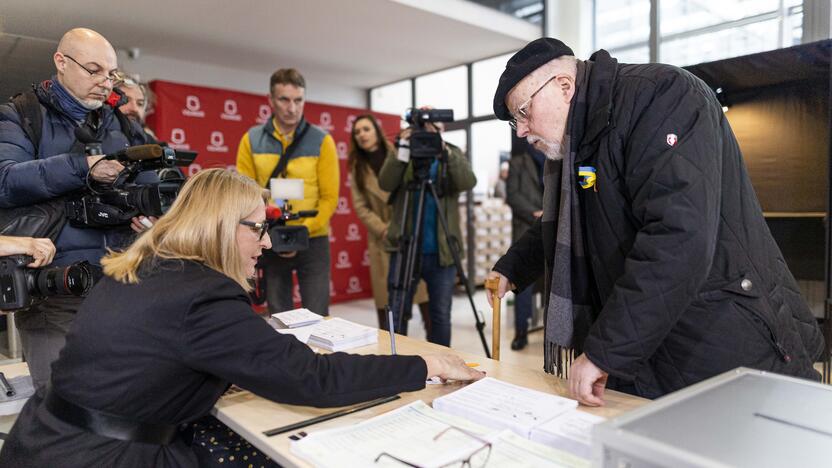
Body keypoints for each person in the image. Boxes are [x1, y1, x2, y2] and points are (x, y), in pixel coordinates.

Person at [0, 169, 484, 467]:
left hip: (45, 441)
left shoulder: (149, 267)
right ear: (219, 227)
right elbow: (312, 378)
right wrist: (428, 365)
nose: (268, 243)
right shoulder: (200, 296)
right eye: (258, 228)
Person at [486, 38, 825, 406]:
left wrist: (605, 350)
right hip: (652, 339)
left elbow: (678, 238)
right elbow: (573, 217)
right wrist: (514, 267)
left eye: (522, 112)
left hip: (719, 333)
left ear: (564, 87)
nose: (520, 130)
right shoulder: (585, 136)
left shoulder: (663, 97)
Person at [0, 28, 154, 388]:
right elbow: (5, 183)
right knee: (65, 410)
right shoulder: (20, 115)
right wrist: (83, 167)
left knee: (128, 399)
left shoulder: (121, 123)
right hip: (55, 292)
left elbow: (154, 183)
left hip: (123, 286)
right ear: (61, 62)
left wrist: (153, 214)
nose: (105, 82)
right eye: (93, 69)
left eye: (111, 74)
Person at [236, 68, 338, 316]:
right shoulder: (251, 139)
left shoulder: (322, 141)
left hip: (312, 239)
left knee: (318, 314)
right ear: (270, 100)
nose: (292, 107)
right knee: (279, 315)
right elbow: (246, 194)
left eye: (298, 100)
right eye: (284, 99)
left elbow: (329, 197)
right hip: (271, 237)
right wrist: (272, 229)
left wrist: (303, 230)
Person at [379, 114, 477, 346]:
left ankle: (441, 365)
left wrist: (444, 150)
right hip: (405, 247)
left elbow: (467, 182)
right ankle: (393, 362)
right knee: (397, 308)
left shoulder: (450, 152)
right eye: (421, 126)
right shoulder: (405, 152)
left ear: (441, 128)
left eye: (432, 126)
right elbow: (385, 183)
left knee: (440, 315)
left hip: (442, 251)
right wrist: (402, 149)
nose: (426, 131)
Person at [348, 114, 433, 332]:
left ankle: (436, 349)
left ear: (376, 130)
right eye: (357, 132)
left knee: (425, 299)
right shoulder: (357, 167)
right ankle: (391, 354)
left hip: (407, 232)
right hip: (382, 238)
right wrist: (383, 229)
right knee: (387, 303)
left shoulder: (398, 151)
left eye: (366, 129)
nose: (362, 135)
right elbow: (361, 207)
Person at [504, 141, 545, 350]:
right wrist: (535, 213)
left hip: (553, 230)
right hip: (526, 231)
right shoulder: (518, 163)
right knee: (522, 286)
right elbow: (513, 195)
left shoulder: (555, 159)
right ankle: (521, 331)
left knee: (553, 285)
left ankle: (553, 333)